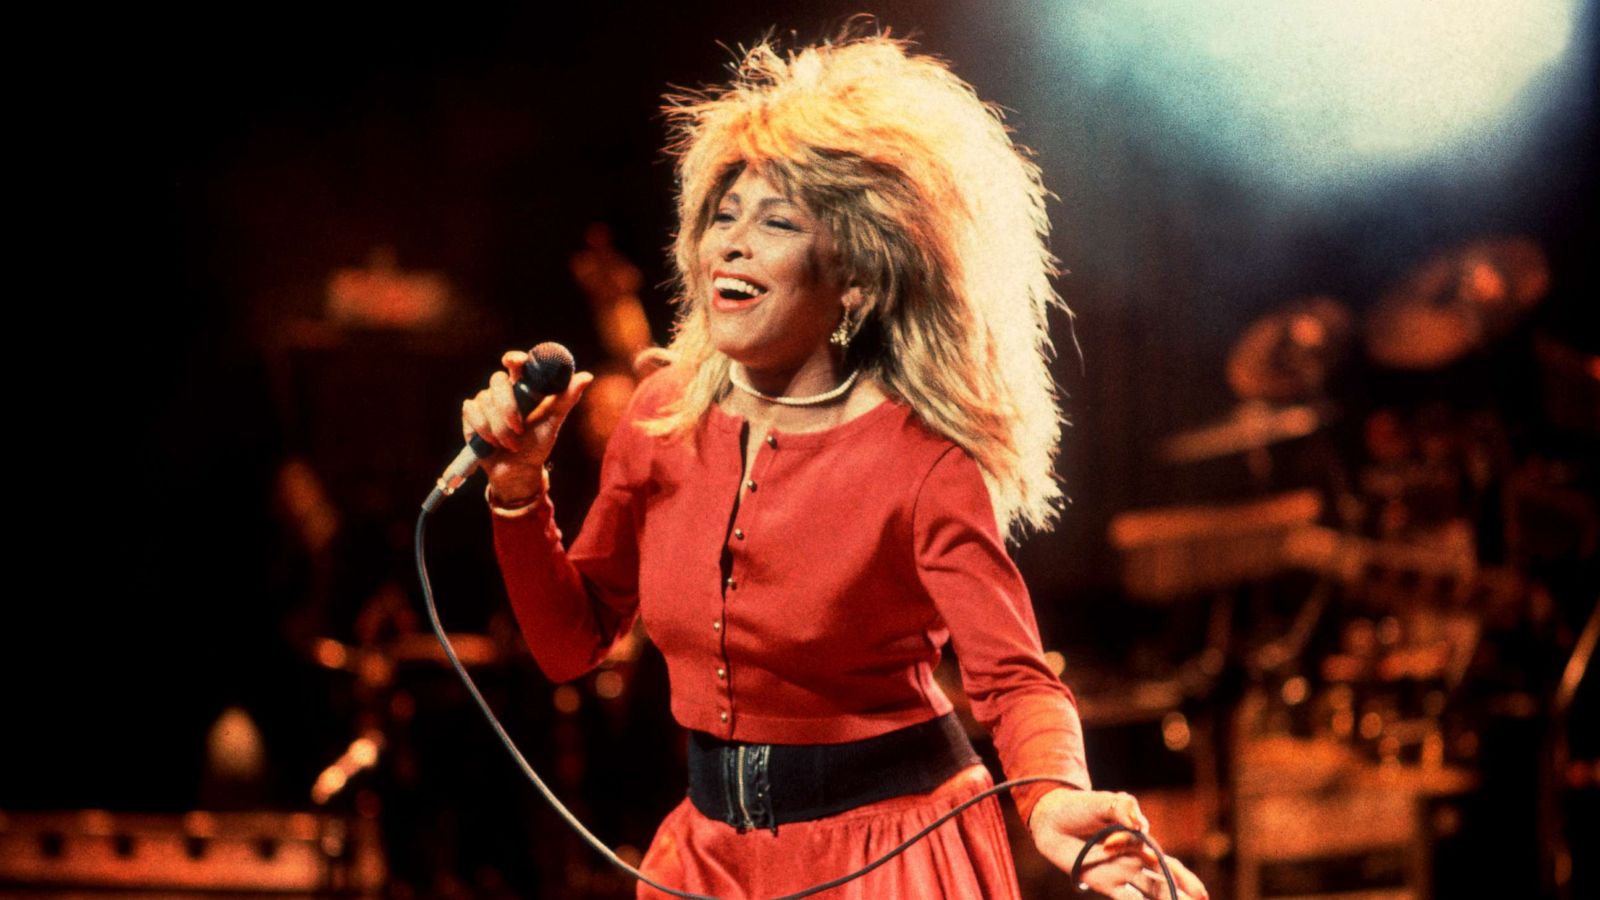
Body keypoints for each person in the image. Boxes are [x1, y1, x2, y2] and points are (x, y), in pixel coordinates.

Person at [462, 30, 1207, 900]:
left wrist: (1052, 803)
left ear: (856, 275)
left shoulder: (921, 459)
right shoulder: (659, 419)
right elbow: (569, 644)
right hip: (705, 862)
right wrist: (517, 490)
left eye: (776, 222)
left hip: (888, 857)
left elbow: (1012, 678)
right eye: (723, 216)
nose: (730, 247)